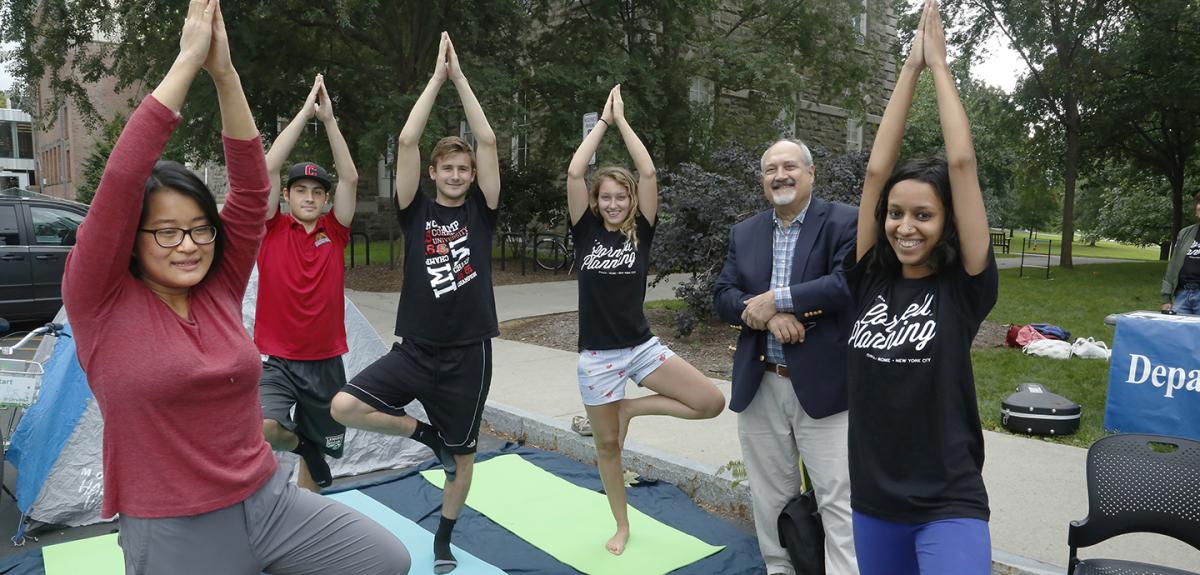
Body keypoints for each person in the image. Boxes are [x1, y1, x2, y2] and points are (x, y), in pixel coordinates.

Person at [61, 2, 410, 573]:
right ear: (131, 237)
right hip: (172, 521)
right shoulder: (99, 300)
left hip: (266, 501)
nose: (188, 245)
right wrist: (187, 60)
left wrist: (225, 75)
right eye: (167, 232)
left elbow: (251, 190)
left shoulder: (218, 288)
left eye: (199, 228)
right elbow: (122, 179)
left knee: (385, 559)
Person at [331, 32, 498, 575]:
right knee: (343, 406)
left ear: (471, 177)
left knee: (465, 459)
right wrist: (435, 78)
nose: (455, 174)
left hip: (467, 355)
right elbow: (406, 142)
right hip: (415, 350)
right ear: (432, 174)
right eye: (446, 167)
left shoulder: (482, 213)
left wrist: (462, 79)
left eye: (463, 169)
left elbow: (489, 140)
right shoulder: (414, 212)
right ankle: (426, 436)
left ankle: (444, 540)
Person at [844, 1, 996, 573]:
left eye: (924, 217)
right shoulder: (868, 277)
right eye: (897, 214)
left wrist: (938, 69)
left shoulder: (964, 288)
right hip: (874, 497)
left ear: (946, 223)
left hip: (948, 499)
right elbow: (876, 174)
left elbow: (961, 164)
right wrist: (905, 69)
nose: (905, 227)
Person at [566, 85, 725, 556]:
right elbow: (576, 170)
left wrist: (623, 120)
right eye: (607, 198)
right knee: (609, 448)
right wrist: (601, 124)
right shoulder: (585, 231)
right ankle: (621, 523)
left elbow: (650, 170)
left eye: (622, 197)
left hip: (640, 348)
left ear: (632, 200)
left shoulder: (643, 231)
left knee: (710, 400)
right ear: (597, 202)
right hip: (596, 357)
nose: (614, 204)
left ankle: (630, 408)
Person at [256, 74, 358, 493]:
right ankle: (304, 447)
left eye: (318, 191)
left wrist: (330, 122)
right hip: (278, 359)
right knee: (264, 427)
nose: (311, 197)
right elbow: (267, 165)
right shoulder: (271, 228)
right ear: (286, 195)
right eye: (301, 190)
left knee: (320, 454)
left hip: (326, 362)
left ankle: (306, 522)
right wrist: (303, 114)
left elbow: (349, 178)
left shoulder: (335, 232)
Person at [1161, 191, 1200, 315]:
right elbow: (1173, 266)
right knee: (1178, 333)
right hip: (1182, 295)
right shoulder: (1185, 233)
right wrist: (1166, 297)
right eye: (1199, 203)